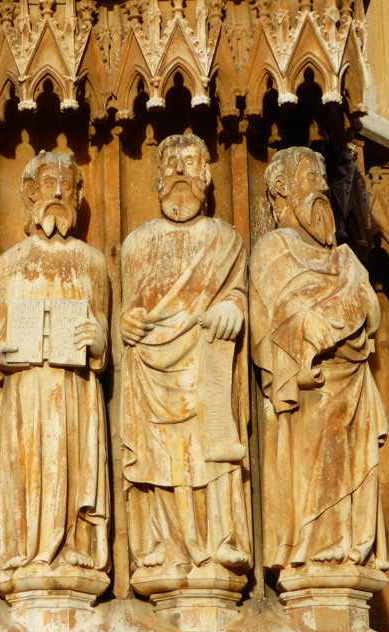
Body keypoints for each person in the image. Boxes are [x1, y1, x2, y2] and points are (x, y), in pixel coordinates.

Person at [120, 134, 251, 592]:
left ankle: (220, 539)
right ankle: (166, 546)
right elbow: (129, 305)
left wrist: (233, 306)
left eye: (189, 161)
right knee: (163, 455)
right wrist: (128, 323)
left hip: (206, 357)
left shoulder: (224, 238)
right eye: (169, 163)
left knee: (213, 443)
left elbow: (237, 290)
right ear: (157, 178)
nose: (178, 170)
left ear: (206, 176)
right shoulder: (139, 242)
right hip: (154, 365)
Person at [251, 146, 389, 573]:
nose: (322, 186)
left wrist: (338, 323)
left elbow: (370, 311)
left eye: (323, 177)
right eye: (311, 175)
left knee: (353, 460)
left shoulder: (343, 257)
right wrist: (333, 323)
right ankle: (315, 545)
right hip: (313, 384)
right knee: (314, 456)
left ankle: (351, 542)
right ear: (281, 189)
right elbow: (283, 318)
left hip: (352, 381)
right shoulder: (274, 249)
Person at [0, 151, 111, 595]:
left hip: (75, 390)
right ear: (29, 193)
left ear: (78, 196)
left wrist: (96, 342)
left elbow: (103, 336)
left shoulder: (91, 262)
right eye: (47, 183)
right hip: (25, 394)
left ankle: (76, 547)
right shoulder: (10, 264)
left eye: (67, 185)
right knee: (28, 470)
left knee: (74, 463)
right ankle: (24, 552)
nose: (57, 192)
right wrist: (1, 356)